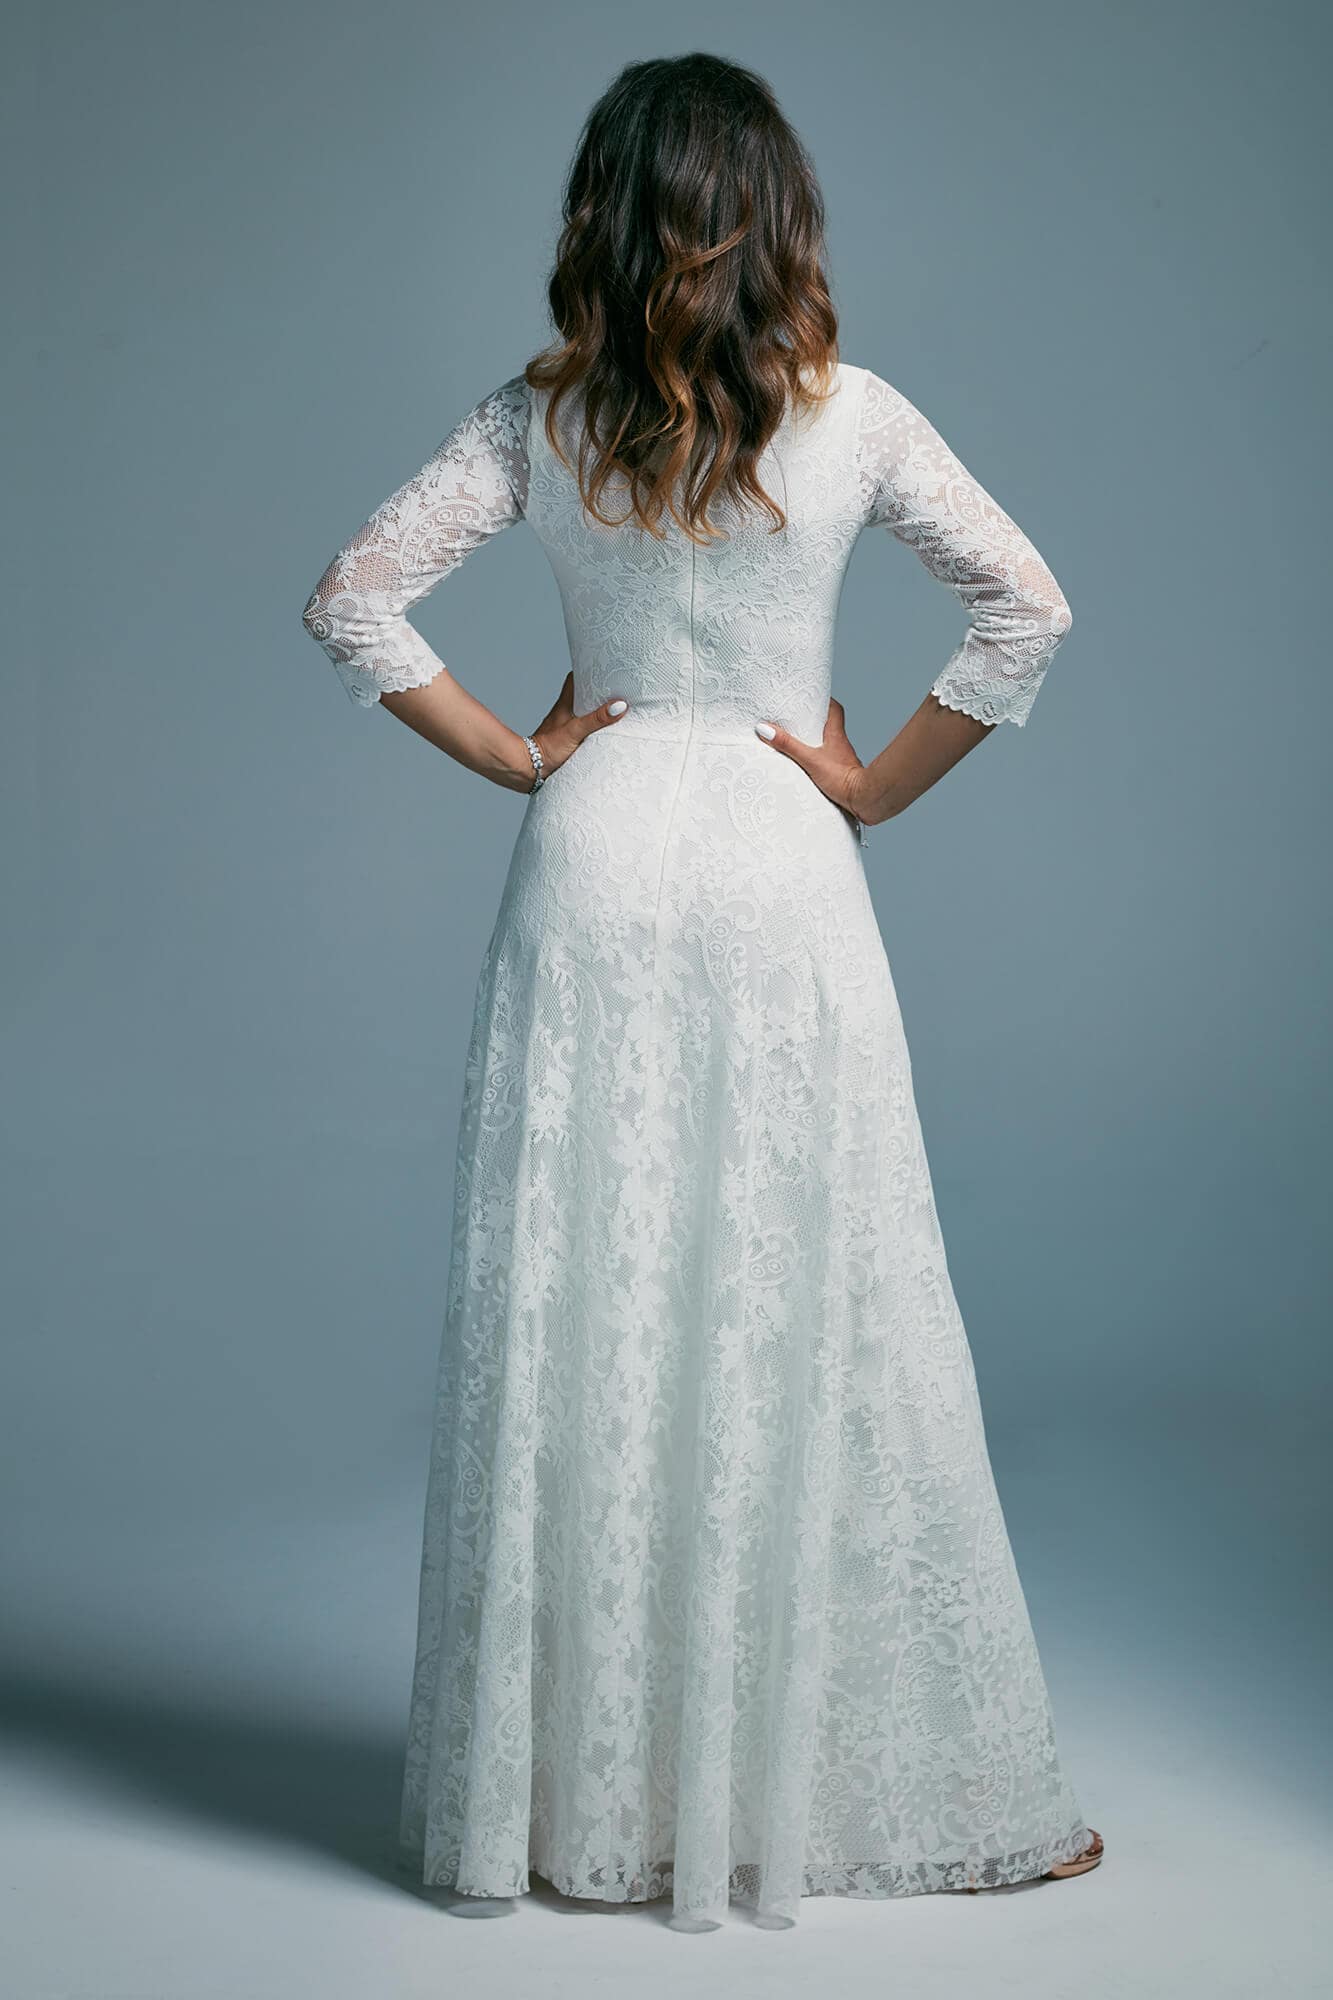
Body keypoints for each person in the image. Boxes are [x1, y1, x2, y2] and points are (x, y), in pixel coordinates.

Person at [300, 50, 1103, 1934]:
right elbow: (1028, 607)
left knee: (595, 1315)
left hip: (592, 861)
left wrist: (522, 755)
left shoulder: (541, 417)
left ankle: (584, 1805)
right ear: (777, 216)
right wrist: (869, 786)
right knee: (804, 1313)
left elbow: (352, 599)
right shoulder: (855, 416)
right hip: (775, 859)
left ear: (601, 213)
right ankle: (821, 1794)